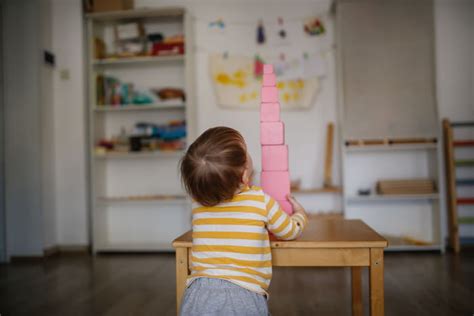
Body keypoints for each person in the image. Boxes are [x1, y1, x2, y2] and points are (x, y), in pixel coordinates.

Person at [179, 126, 308, 316]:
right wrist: (300, 214)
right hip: (242, 296)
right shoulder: (259, 200)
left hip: (196, 295)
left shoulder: (198, 204)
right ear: (245, 174)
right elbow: (289, 231)